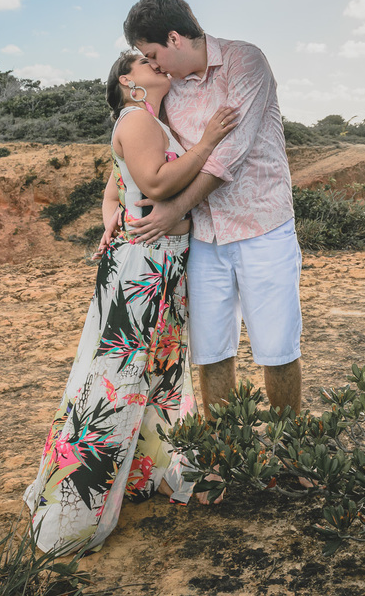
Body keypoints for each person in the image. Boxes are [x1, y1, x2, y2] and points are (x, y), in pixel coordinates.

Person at [23, 50, 238, 555]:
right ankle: (77, 509)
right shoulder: (139, 119)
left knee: (151, 371)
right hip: (144, 268)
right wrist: (209, 141)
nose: (156, 62)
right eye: (144, 61)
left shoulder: (148, 122)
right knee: (122, 375)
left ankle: (150, 471)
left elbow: (115, 189)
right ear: (128, 80)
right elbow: (157, 184)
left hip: (151, 264)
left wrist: (109, 217)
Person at [122, 0, 305, 427]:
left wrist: (173, 210)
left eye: (153, 54)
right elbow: (142, 144)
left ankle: (291, 450)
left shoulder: (245, 61)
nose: (154, 65)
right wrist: (115, 201)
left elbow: (230, 154)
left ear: (174, 38)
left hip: (263, 227)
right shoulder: (166, 89)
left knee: (277, 349)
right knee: (211, 352)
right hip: (204, 236)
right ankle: (226, 458)